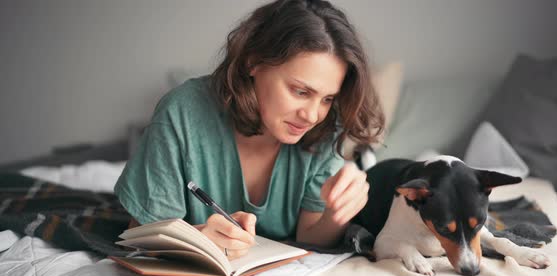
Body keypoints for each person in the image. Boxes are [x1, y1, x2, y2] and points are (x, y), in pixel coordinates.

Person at [114, 0, 384, 260]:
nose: (313, 115)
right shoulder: (183, 112)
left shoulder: (326, 127)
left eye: (328, 99)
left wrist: (337, 214)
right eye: (301, 91)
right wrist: (196, 239)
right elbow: (140, 236)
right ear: (253, 62)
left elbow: (310, 237)